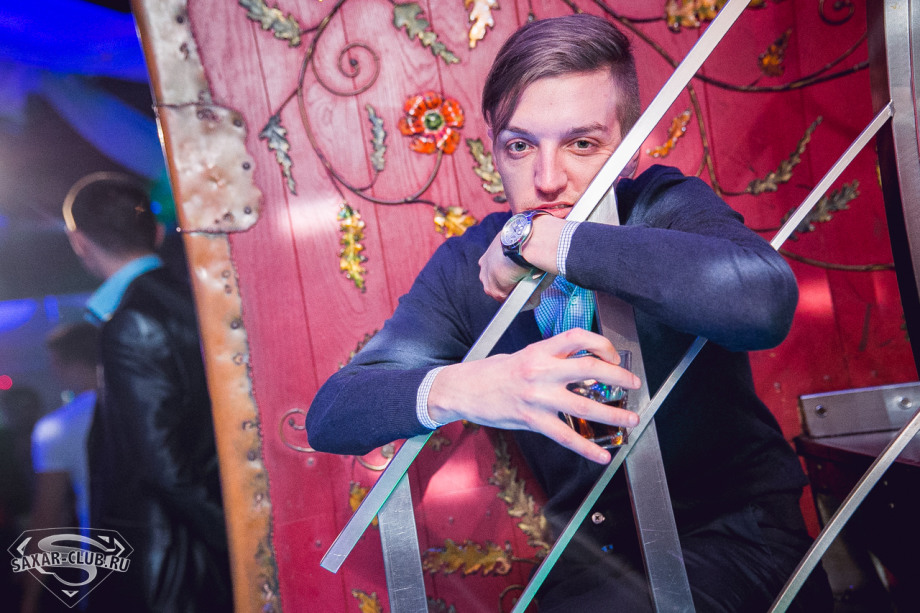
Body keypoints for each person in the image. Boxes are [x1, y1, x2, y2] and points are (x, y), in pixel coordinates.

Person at [307, 14, 831, 612]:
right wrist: (469, 386)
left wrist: (543, 239)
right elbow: (334, 412)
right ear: (494, 150)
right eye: (521, 145)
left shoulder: (663, 206)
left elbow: (763, 302)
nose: (548, 178)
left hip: (739, 542)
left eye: (582, 144)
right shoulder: (466, 266)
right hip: (591, 562)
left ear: (629, 151)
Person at [63, 171, 231, 612]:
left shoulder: (132, 321)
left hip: (170, 563)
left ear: (79, 242)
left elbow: (166, 469)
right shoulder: (199, 299)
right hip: (201, 550)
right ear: (156, 231)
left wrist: (243, 544)